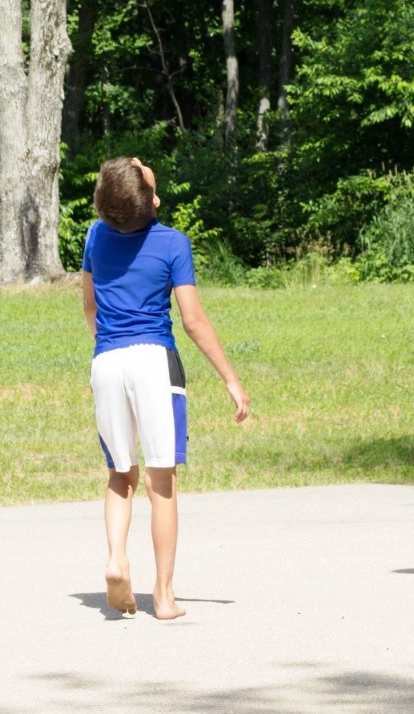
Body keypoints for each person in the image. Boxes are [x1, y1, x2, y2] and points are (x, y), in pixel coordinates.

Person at [80, 157, 250, 619]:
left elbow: (91, 309)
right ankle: (164, 595)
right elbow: (193, 321)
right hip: (155, 361)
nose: (157, 197)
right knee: (162, 483)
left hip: (107, 361)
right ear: (145, 206)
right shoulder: (173, 242)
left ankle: (116, 559)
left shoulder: (95, 236)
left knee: (120, 475)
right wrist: (231, 380)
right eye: (153, 192)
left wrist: (110, 346)